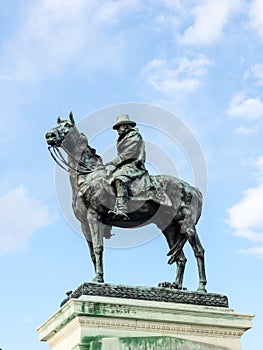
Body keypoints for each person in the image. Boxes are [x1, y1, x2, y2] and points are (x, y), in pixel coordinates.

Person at [105, 114, 151, 221]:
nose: (118, 130)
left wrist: (112, 163)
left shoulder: (134, 136)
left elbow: (128, 154)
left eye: (119, 127)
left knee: (119, 179)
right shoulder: (121, 139)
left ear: (125, 126)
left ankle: (122, 209)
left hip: (134, 165)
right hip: (124, 165)